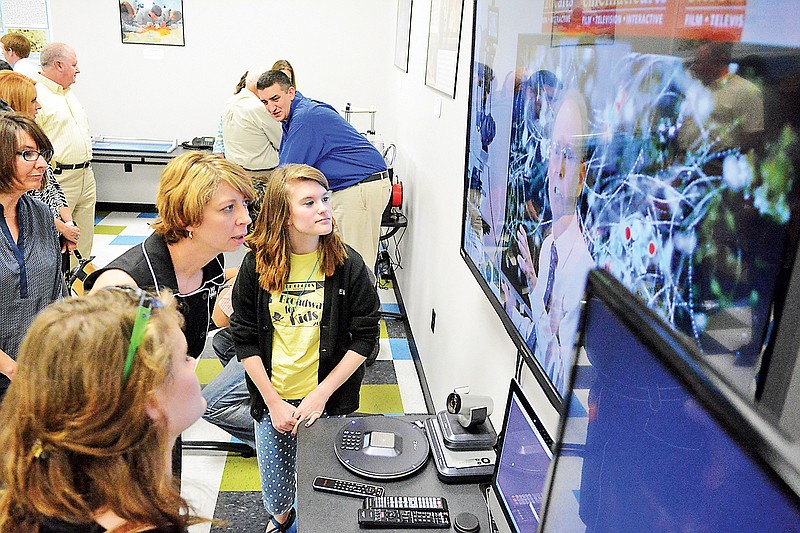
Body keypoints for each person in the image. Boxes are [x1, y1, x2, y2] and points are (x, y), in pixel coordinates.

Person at [231, 164, 380, 531]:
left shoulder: (348, 265)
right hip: (275, 400)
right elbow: (244, 337)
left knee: (326, 489)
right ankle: (281, 522)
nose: (323, 209)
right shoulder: (257, 265)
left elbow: (365, 337)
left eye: (325, 199)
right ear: (284, 215)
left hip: (327, 399)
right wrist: (272, 402)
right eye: (309, 202)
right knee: (278, 494)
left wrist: (322, 395)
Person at [0, 288, 208, 532]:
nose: (193, 363)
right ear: (150, 402)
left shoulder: (34, 507)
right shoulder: (139, 523)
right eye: (184, 358)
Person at [256, 70, 391, 271]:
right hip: (349, 188)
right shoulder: (294, 115)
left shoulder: (305, 119)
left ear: (291, 92)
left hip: (360, 189)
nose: (271, 107)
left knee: (357, 266)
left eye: (275, 98)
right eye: (264, 102)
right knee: (341, 260)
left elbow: (286, 175)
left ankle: (366, 304)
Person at [515, 89, 594, 396]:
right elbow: (544, 332)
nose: (558, 170)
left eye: (570, 155)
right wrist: (534, 286)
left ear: (582, 174)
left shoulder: (584, 270)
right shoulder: (549, 248)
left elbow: (563, 383)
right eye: (554, 151)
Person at [0, 114, 65, 401]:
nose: (42, 164)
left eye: (42, 154)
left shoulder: (39, 213)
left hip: (41, 370)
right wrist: (12, 370)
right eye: (27, 154)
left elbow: (56, 293)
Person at [0, 71, 80, 256]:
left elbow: (53, 188)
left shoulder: (35, 147)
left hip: (50, 234)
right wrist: (63, 228)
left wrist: (68, 225)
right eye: (32, 100)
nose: (38, 106)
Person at [35, 43, 95, 262]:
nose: (78, 70)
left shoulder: (69, 94)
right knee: (59, 238)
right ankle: (60, 287)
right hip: (60, 178)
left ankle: (81, 286)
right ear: (59, 65)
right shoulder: (37, 94)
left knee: (84, 235)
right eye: (74, 65)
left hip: (86, 174)